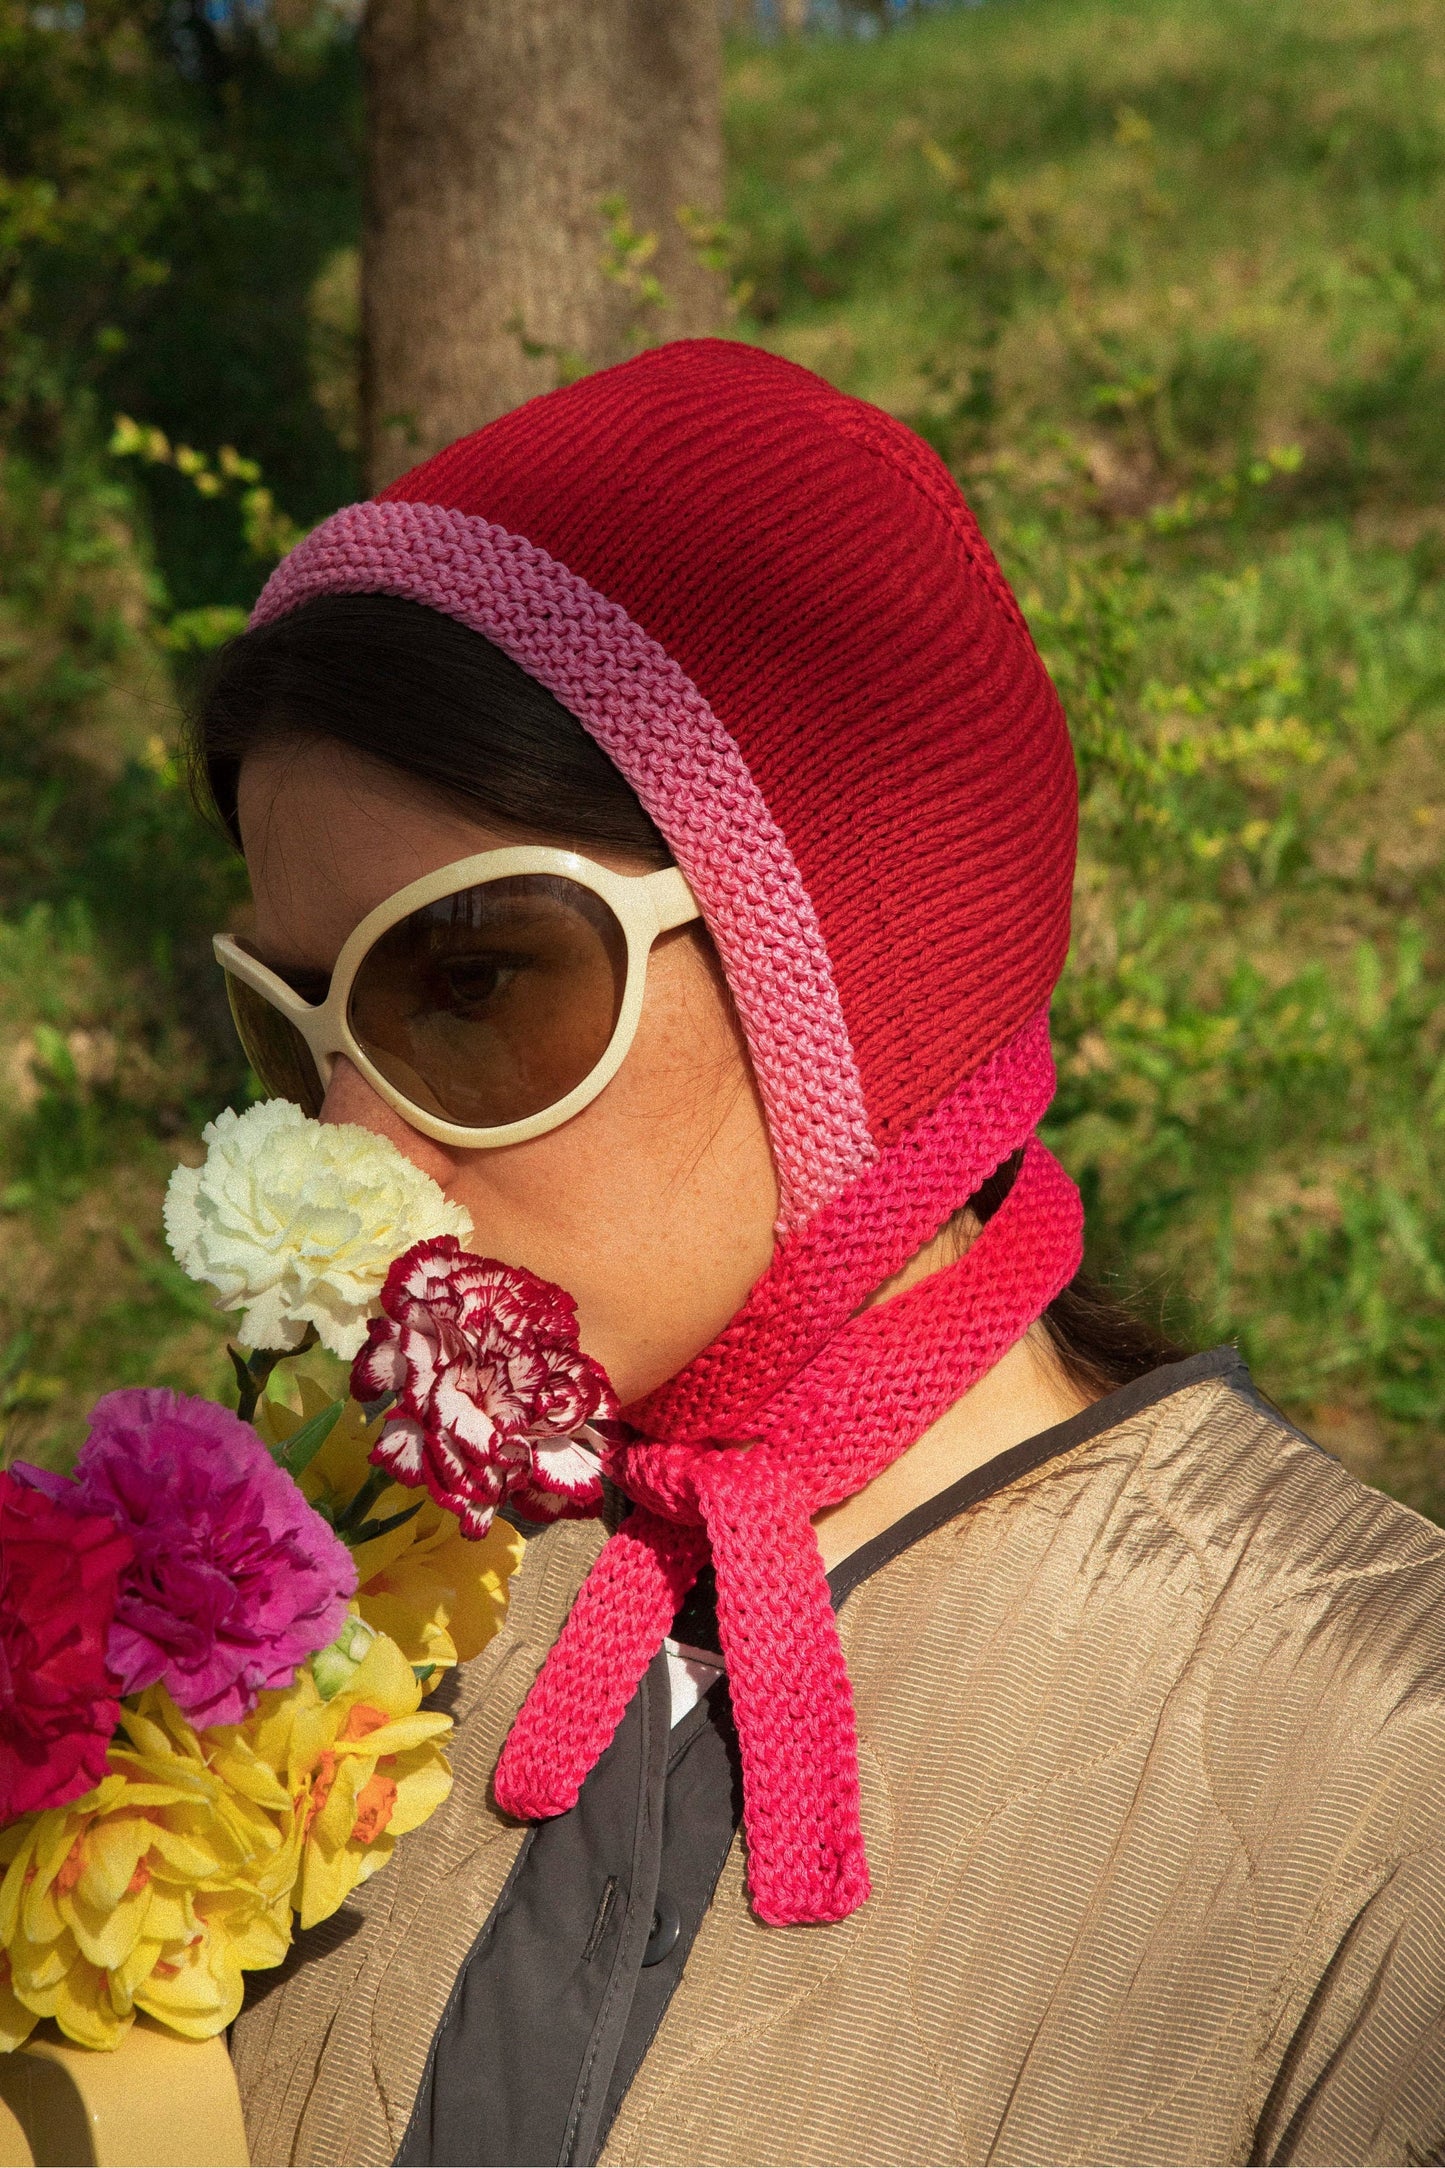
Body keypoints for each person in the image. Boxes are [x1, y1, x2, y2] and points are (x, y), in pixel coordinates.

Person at [206, 341, 1445, 2167]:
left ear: (844, 981)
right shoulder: (338, 1612)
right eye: (294, 1025)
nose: (361, 1153)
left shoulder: (1375, 1772)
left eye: (464, 978)